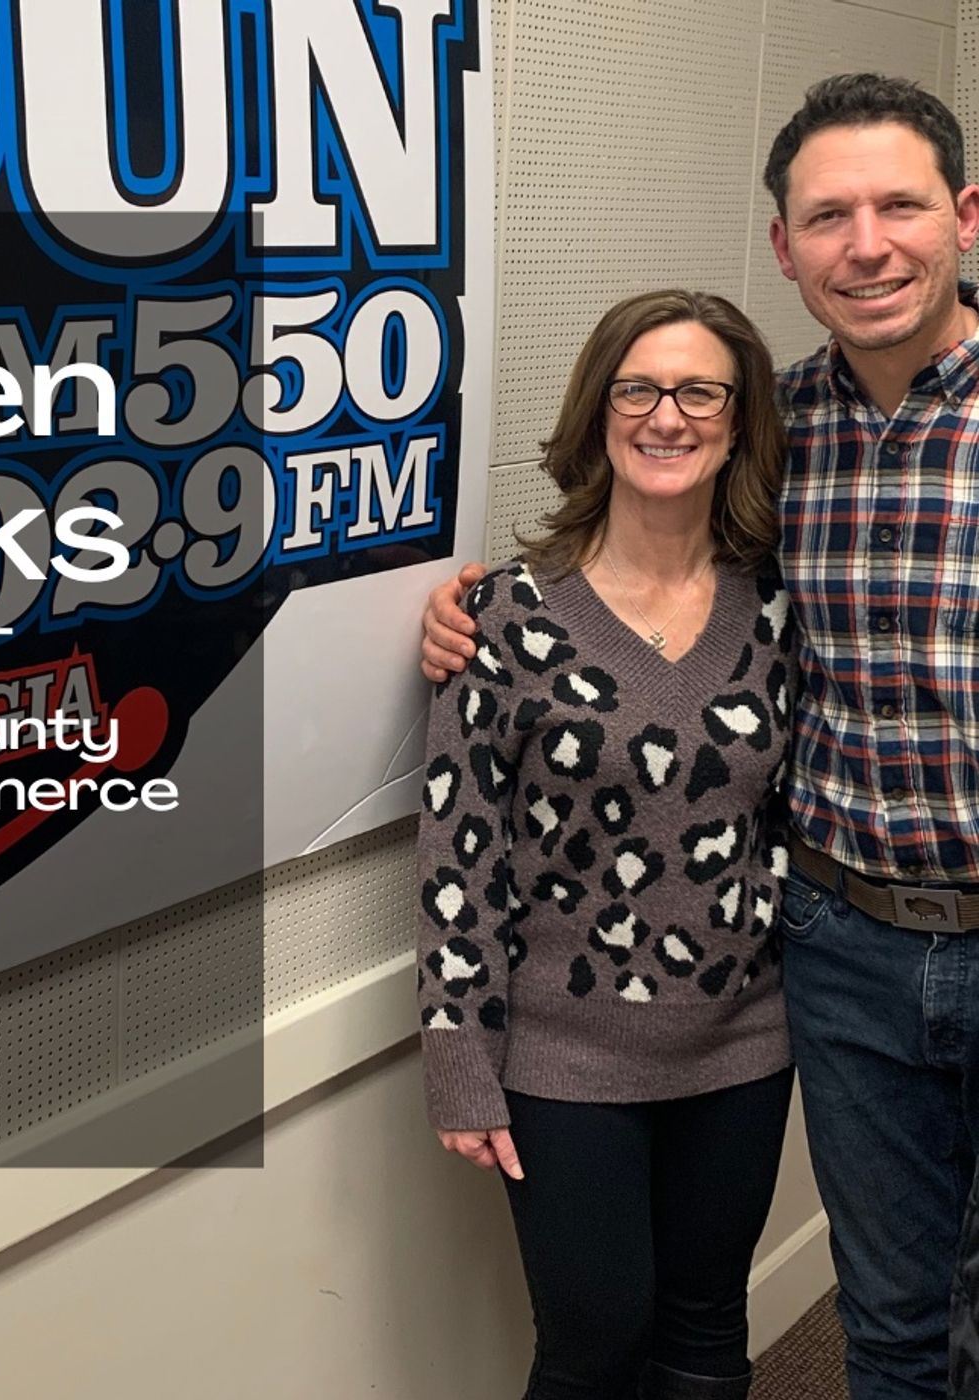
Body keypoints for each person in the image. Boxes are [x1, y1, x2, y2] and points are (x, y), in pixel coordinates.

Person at [420, 75, 979, 1400]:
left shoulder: (762, 471)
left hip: (760, 1008)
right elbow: (472, 836)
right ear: (783, 244)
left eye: (898, 206)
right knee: (890, 1321)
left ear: (964, 216)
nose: (866, 244)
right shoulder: (787, 430)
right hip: (844, 950)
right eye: (827, 215)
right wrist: (462, 612)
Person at [418, 287, 796, 1400]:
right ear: (598, 412)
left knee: (705, 1334)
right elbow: (459, 854)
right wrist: (458, 1059)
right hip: (562, 1058)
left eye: (699, 392)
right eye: (637, 390)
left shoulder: (784, 606)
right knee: (594, 1344)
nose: (666, 417)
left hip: (742, 1044)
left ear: (738, 420)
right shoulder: (501, 617)